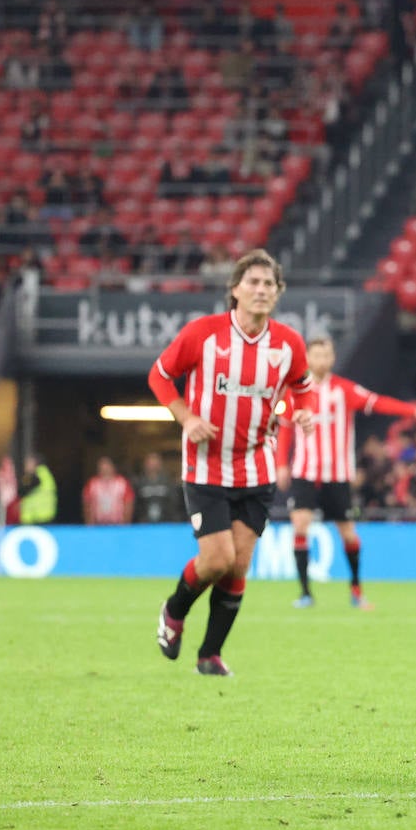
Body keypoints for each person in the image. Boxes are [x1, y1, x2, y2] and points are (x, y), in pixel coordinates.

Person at [150, 250, 316, 677]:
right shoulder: (204, 334)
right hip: (206, 467)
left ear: (278, 293)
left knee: (239, 565)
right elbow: (160, 375)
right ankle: (174, 609)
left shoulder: (288, 343)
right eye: (254, 282)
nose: (261, 290)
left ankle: (209, 655)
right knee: (217, 559)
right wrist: (186, 417)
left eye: (269, 284)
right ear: (235, 290)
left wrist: (302, 410)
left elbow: (303, 386)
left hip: (257, 468)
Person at [275, 336, 416, 609]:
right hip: (305, 471)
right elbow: (284, 429)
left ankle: (356, 590)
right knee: (300, 526)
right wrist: (281, 464)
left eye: (326, 355)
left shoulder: (344, 390)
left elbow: (379, 403)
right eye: (316, 355)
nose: (321, 360)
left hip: (337, 475)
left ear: (332, 358)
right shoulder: (294, 393)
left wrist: (415, 411)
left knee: (348, 533)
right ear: (307, 359)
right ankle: (305, 593)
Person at [134, 452, 185, 523]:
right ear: (145, 464)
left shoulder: (169, 482)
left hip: (166, 522)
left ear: (160, 464)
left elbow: (174, 504)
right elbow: (136, 505)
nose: (153, 465)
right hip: (144, 523)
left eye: (155, 462)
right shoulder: (138, 483)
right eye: (150, 462)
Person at [83, 456, 134, 525]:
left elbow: (128, 504)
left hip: (118, 525)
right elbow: (87, 505)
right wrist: (90, 526)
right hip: (98, 525)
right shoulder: (92, 484)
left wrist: (125, 526)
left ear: (113, 468)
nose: (105, 470)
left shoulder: (122, 483)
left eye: (107, 467)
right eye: (102, 468)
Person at [15, 453, 57, 525]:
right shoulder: (44, 474)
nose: (25, 466)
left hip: (39, 517)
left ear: (34, 463)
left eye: (28, 463)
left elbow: (23, 490)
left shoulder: (38, 476)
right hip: (41, 516)